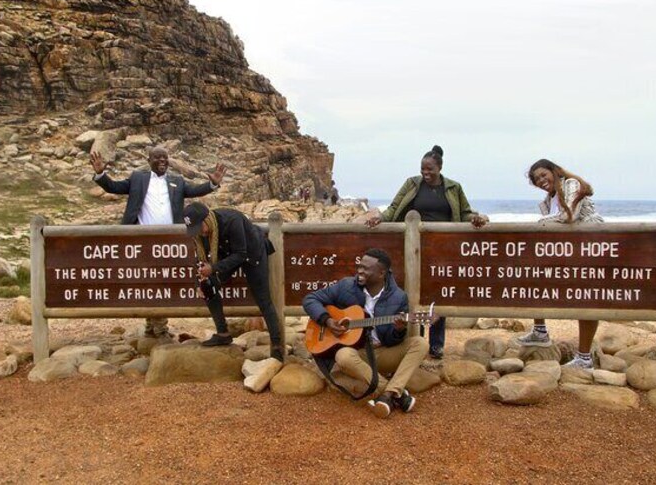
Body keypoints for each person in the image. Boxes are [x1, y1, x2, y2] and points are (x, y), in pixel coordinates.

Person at [91, 146, 226, 339]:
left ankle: (159, 326)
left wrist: (212, 184)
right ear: (149, 160)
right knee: (146, 281)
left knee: (163, 281)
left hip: (170, 240)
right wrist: (100, 174)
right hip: (142, 239)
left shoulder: (177, 181)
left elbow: (195, 190)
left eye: (165, 157)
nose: (162, 160)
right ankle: (151, 323)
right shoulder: (137, 178)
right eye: (157, 157)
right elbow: (114, 187)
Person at [366, 145, 488, 359]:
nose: (426, 173)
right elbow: (394, 208)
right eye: (423, 169)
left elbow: (465, 212)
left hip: (443, 249)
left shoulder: (453, 188)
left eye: (430, 169)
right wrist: (380, 218)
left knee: (436, 296)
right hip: (413, 249)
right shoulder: (412, 184)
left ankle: (436, 345)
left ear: (440, 168)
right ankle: (416, 342)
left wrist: (476, 218)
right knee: (413, 294)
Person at [303, 248, 428, 418]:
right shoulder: (346, 286)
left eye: (366, 268)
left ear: (381, 273)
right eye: (360, 266)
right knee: (343, 355)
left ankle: (387, 395)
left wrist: (399, 330)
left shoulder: (398, 298)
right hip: (358, 355)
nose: (360, 271)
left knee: (420, 343)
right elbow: (310, 299)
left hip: (383, 352)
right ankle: (394, 393)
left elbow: (392, 341)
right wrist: (328, 321)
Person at [517, 158, 604, 369]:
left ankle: (584, 358)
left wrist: (539, 224)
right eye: (537, 179)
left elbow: (569, 216)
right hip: (567, 248)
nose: (541, 181)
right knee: (534, 279)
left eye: (543, 175)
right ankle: (540, 331)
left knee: (586, 298)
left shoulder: (572, 184)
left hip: (588, 247)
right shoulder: (548, 200)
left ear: (554, 171)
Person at [183, 202, 284, 362]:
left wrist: (213, 268)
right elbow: (200, 260)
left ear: (206, 219)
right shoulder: (200, 235)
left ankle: (277, 345)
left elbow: (241, 254)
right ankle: (223, 333)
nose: (200, 233)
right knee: (207, 286)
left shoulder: (232, 220)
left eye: (199, 227)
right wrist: (199, 283)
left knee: (263, 299)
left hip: (251, 252)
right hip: (226, 253)